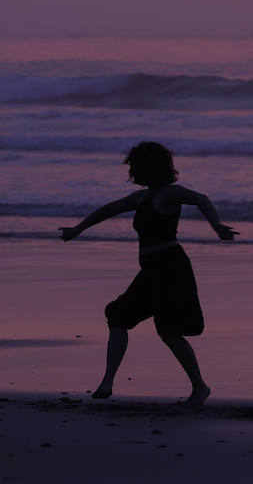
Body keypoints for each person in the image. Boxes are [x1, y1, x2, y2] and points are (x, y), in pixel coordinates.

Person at [60, 141, 237, 404]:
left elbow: (200, 198)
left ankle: (200, 387)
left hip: (171, 269)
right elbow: (108, 209)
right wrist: (77, 229)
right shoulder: (141, 198)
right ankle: (107, 383)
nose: (131, 170)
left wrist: (217, 227)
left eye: (134, 166)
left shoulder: (168, 194)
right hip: (152, 270)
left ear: (147, 168)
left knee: (168, 330)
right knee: (118, 317)